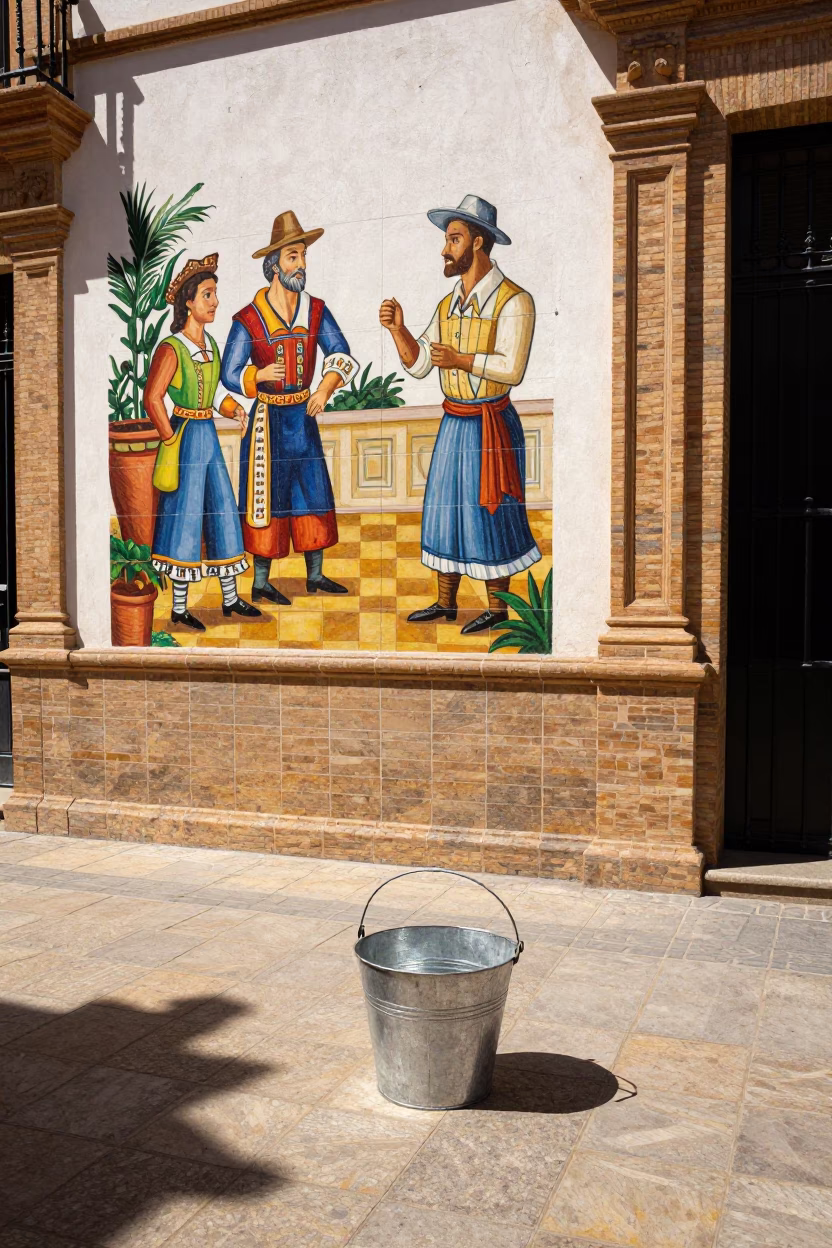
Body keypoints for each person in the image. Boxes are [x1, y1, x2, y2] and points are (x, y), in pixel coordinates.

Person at [379, 195, 539, 634]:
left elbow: (513, 369)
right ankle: (445, 602)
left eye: (453, 239)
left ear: (479, 243)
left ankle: (498, 608)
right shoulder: (448, 305)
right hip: (454, 423)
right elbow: (420, 364)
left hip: (491, 423)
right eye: (448, 239)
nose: (445, 250)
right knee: (444, 511)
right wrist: (399, 331)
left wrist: (463, 360)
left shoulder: (515, 301)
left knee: (491, 513)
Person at [220, 211, 360, 603]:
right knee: (267, 497)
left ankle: (315, 575)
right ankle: (261, 583)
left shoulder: (315, 310)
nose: (301, 264)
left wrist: (326, 389)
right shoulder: (248, 318)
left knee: (311, 491)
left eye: (302, 256)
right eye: (293, 257)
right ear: (275, 265)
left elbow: (340, 350)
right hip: (267, 422)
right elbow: (229, 372)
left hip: (303, 416)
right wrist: (259, 375)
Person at [143, 254, 261, 630]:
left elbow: (211, 396)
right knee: (185, 517)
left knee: (222, 510)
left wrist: (235, 410)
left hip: (207, 435)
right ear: (189, 303)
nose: (215, 302)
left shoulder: (209, 343)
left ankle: (230, 599)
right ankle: (179, 607)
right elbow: (153, 397)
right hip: (184, 439)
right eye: (208, 295)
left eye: (215, 294)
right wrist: (168, 435)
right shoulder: (171, 348)